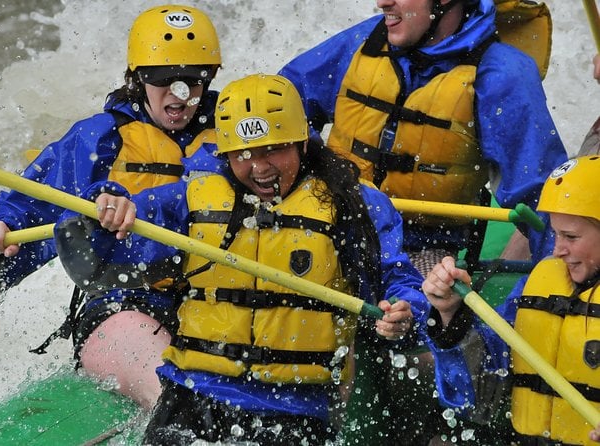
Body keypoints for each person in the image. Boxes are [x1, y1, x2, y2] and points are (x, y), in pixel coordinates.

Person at [54, 73, 429, 445]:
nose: (260, 168)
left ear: (301, 142)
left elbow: (398, 279)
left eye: (273, 150)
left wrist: (404, 309)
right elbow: (102, 255)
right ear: (226, 153)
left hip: (295, 409)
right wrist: (106, 203)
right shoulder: (191, 198)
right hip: (193, 396)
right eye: (244, 154)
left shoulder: (353, 205)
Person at [279, 0, 568, 442]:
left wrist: (526, 320)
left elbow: (547, 210)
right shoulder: (367, 41)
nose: (383, 2)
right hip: (335, 232)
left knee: (406, 336)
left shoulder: (501, 75)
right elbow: (273, 108)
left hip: (425, 252)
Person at [0, 4, 222, 409]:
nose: (180, 94)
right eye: (163, 79)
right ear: (138, 78)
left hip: (221, 299)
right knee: (181, 405)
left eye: (194, 80)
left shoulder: (234, 136)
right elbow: (24, 218)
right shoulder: (99, 139)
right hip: (126, 302)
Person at [423, 155, 600, 444]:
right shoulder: (540, 283)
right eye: (555, 234)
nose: (557, 250)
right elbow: (477, 391)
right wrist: (449, 314)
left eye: (571, 236)